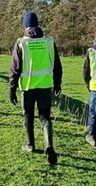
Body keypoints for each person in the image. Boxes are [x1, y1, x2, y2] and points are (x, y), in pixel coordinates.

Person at [9, 11, 63, 165]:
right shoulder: (49, 42)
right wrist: (57, 83)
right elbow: (57, 65)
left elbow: (15, 69)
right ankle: (49, 145)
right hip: (45, 85)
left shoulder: (21, 42)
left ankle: (31, 145)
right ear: (38, 25)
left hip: (28, 87)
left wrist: (12, 89)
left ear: (25, 26)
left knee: (28, 116)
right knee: (45, 116)